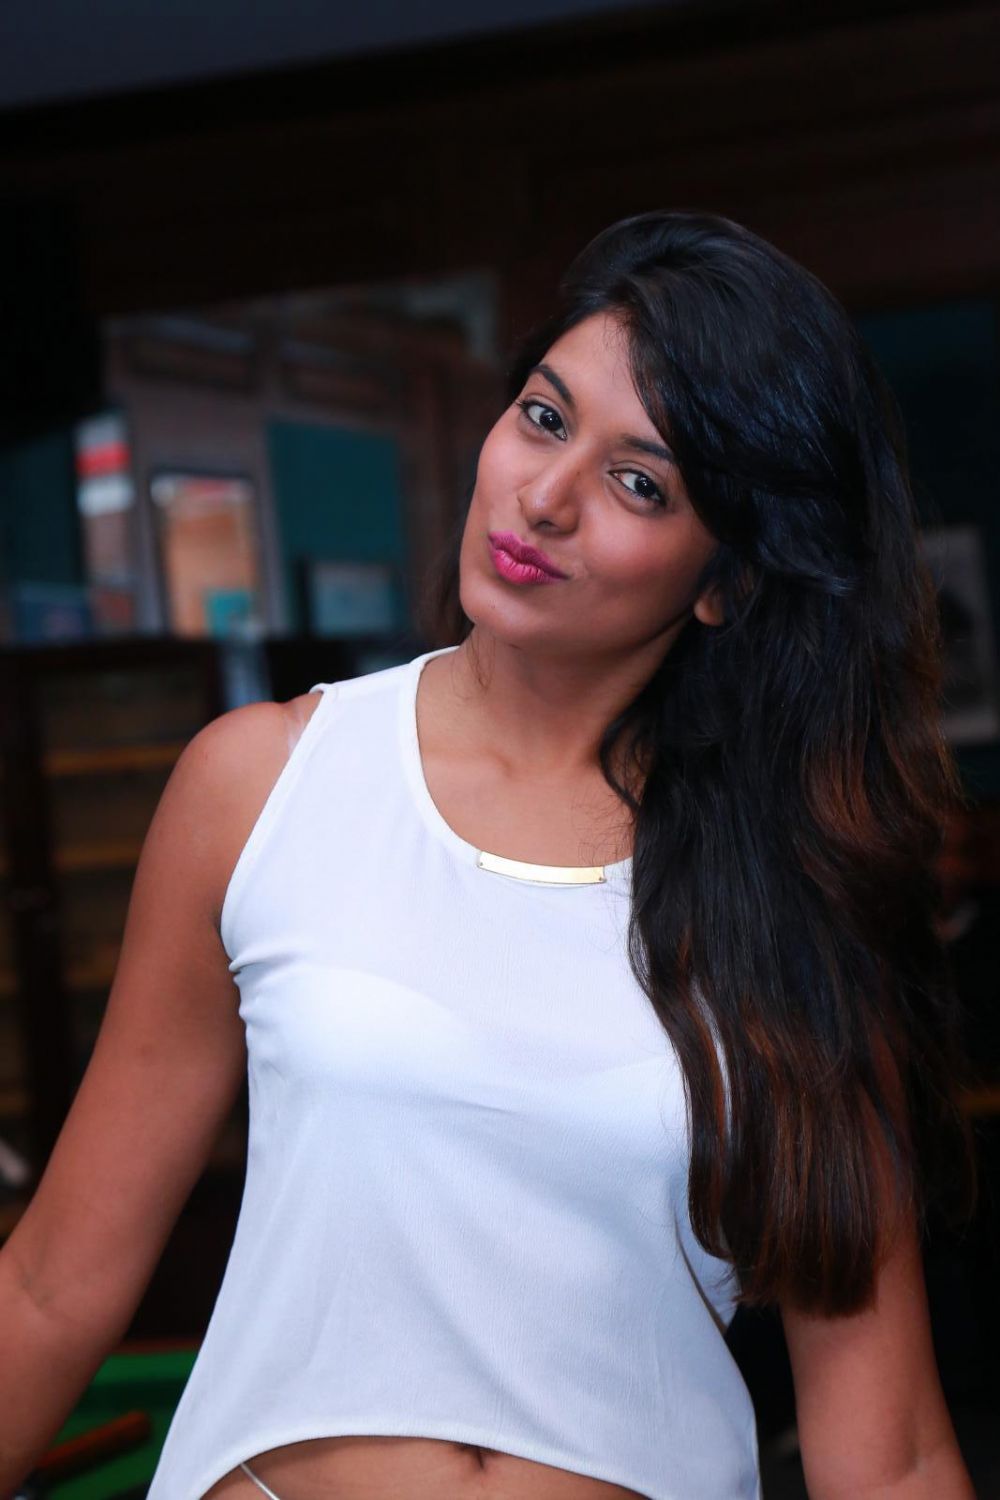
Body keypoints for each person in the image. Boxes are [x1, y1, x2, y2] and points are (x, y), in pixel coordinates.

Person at [0, 209, 978, 1500]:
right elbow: (53, 1283)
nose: (546, 497)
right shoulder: (262, 785)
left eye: (641, 483)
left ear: (725, 581)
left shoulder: (794, 901)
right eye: (544, 416)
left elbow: (889, 1451)